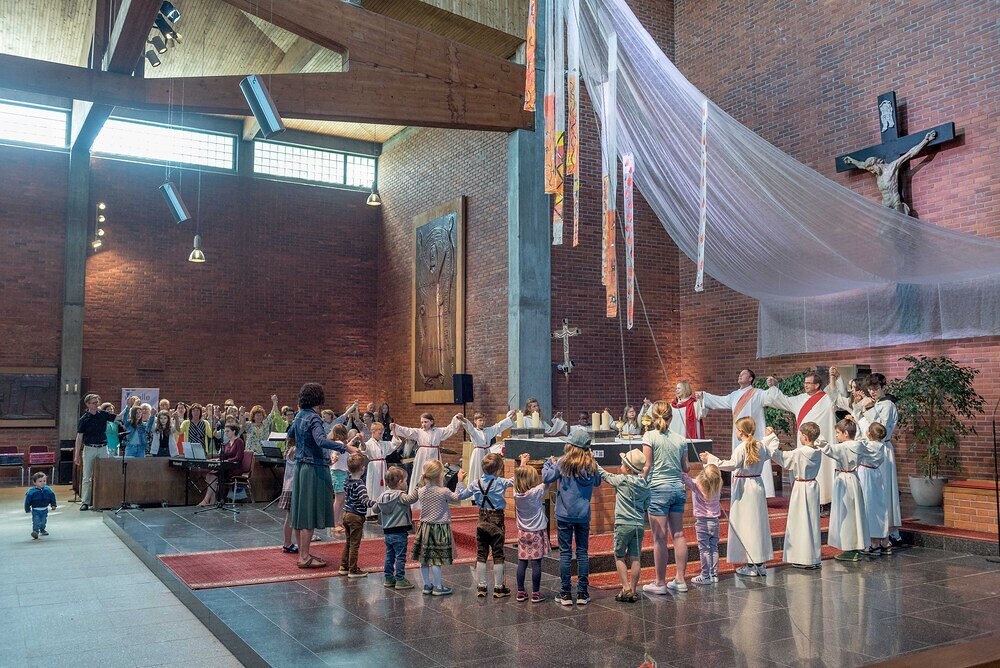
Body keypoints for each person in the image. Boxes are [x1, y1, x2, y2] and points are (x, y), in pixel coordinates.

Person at [289, 382, 360, 569]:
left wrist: (298, 446)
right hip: (313, 467)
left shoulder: (299, 415)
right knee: (309, 513)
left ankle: (303, 554)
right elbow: (321, 440)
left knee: (300, 512)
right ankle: (304, 557)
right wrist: (346, 447)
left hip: (300, 467)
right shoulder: (313, 417)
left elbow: (290, 433)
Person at [701, 416, 774, 577]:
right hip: (757, 486)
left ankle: (752, 565)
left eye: (736, 429)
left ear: (740, 431)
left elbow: (731, 465)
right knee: (757, 525)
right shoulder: (760, 445)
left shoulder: (742, 448)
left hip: (744, 489)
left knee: (747, 525)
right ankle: (759, 563)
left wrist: (710, 459)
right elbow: (771, 450)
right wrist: (770, 437)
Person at [762, 371, 844, 505]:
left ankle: (826, 501)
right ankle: (809, 501)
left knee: (825, 470)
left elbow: (841, 397)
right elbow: (781, 400)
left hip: (823, 443)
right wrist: (774, 387)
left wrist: (836, 379)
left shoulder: (827, 398)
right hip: (804, 444)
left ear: (817, 385)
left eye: (808, 383)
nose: (805, 385)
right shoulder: (799, 399)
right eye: (805, 383)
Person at [542, 430, 601, 606]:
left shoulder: (563, 462)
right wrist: (593, 460)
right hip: (583, 515)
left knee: (565, 553)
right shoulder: (591, 464)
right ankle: (582, 593)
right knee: (582, 553)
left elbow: (546, 477)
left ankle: (565, 594)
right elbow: (597, 482)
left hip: (564, 514)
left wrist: (549, 463)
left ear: (571, 446)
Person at [698, 368, 777, 498]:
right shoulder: (734, 395)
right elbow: (720, 401)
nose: (740, 375)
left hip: (754, 435)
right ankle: (740, 487)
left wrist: (773, 386)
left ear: (751, 379)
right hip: (739, 437)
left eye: (743, 374)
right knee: (738, 459)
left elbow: (771, 396)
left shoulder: (757, 393)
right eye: (739, 374)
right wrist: (704, 396)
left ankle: (763, 489)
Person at [640, 401, 689, 594]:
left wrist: (639, 483)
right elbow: (686, 468)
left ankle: (660, 583)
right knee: (678, 535)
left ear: (653, 418)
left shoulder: (649, 436)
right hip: (677, 489)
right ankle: (680, 580)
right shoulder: (680, 439)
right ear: (671, 417)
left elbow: (647, 465)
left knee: (659, 538)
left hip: (658, 490)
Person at [765, 423, 824, 569]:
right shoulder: (818, 451)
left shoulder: (800, 452)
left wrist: (771, 437)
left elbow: (780, 457)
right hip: (813, 486)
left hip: (801, 488)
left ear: (804, 436)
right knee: (812, 522)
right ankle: (813, 557)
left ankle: (803, 558)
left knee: (801, 522)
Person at [597, 449, 651, 603]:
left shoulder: (622, 480)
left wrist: (593, 463)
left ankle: (626, 588)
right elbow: (646, 504)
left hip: (623, 524)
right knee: (635, 557)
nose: (620, 466)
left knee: (619, 555)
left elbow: (605, 475)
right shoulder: (645, 485)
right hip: (638, 525)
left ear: (627, 468)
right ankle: (633, 590)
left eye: (622, 464)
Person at [460, 452, 514, 598]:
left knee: (481, 553)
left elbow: (461, 495)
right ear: (498, 470)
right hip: (497, 519)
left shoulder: (475, 483)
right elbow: (515, 481)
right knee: (498, 553)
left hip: (482, 518)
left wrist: (459, 481)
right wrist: (522, 464)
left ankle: (482, 586)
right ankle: (498, 587)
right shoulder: (501, 482)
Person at [857, 374, 902, 545]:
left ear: (883, 387)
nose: (873, 391)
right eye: (870, 389)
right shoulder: (875, 404)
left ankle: (889, 530)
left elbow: (879, 429)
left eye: (876, 388)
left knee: (884, 489)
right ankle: (876, 528)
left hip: (882, 449)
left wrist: (867, 410)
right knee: (875, 491)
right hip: (872, 449)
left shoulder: (888, 405)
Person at [411, 460, 467, 596]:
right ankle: (438, 586)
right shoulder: (443, 491)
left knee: (424, 559)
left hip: (424, 527)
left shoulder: (421, 490)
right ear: (439, 476)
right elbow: (457, 497)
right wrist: (460, 481)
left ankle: (426, 585)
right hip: (439, 528)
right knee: (436, 560)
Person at [820, 418, 870, 562]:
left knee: (846, 515)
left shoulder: (843, 447)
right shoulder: (860, 445)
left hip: (844, 481)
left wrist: (818, 437)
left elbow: (828, 449)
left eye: (838, 433)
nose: (836, 435)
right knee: (856, 513)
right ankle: (857, 545)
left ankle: (850, 548)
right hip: (854, 478)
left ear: (846, 433)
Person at [391, 412, 464, 497]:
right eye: (422, 422)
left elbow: (450, 429)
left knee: (434, 475)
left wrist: (456, 418)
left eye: (426, 422)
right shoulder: (419, 432)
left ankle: (435, 496)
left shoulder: (438, 431)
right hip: (422, 457)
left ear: (431, 422)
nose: (423, 424)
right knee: (420, 474)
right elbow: (407, 431)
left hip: (434, 456)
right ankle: (417, 497)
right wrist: (396, 427)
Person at [377, 466, 418, 590]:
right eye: (405, 481)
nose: (406, 483)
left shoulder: (382, 496)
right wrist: (418, 488)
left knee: (389, 556)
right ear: (400, 482)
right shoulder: (400, 495)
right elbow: (411, 499)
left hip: (387, 532)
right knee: (400, 556)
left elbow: (375, 509)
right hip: (400, 531)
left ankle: (388, 578)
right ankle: (400, 579)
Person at [513, 454, 547, 603]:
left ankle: (520, 592)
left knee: (522, 562)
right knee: (536, 563)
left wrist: (522, 463)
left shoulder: (516, 494)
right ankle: (536, 593)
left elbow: (518, 477)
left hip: (522, 532)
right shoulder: (535, 492)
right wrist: (550, 465)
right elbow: (548, 481)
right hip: (536, 533)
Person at [75, 393, 118, 511]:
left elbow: (117, 417)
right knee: (87, 476)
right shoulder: (84, 419)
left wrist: (129, 407)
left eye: (97, 402)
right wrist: (77, 454)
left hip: (103, 447)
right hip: (89, 448)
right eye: (94, 403)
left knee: (104, 475)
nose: (96, 404)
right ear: (88, 404)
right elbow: (79, 437)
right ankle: (85, 501)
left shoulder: (103, 414)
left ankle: (103, 500)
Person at [682, 463, 723, 585]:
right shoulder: (717, 488)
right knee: (714, 548)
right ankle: (714, 574)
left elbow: (684, 478)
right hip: (715, 521)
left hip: (702, 523)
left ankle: (705, 575)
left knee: (704, 549)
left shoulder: (697, 485)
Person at [339, 453, 376, 578]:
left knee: (348, 542)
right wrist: (376, 503)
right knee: (355, 544)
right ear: (362, 468)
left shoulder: (347, 480)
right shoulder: (360, 485)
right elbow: (364, 501)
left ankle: (344, 566)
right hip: (355, 516)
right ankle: (353, 570)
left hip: (346, 513)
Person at [858, 422, 891, 556]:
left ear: (868, 434)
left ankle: (874, 543)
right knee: (879, 507)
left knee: (869, 508)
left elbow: (857, 446)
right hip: (876, 475)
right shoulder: (882, 446)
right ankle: (885, 541)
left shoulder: (867, 446)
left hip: (866, 476)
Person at [360, 422, 401, 519]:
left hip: (383, 466)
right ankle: (372, 512)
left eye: (382, 433)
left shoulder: (383, 444)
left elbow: (395, 443)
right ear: (373, 432)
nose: (381, 435)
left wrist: (393, 431)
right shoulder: (369, 443)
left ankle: (383, 509)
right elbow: (364, 449)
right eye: (379, 433)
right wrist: (362, 441)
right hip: (374, 467)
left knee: (383, 488)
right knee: (373, 488)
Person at [199, 424, 246, 507]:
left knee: (214, 476)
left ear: (234, 431)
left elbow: (238, 457)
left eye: (228, 431)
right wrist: (216, 460)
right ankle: (213, 500)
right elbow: (223, 457)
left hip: (234, 468)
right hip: (226, 467)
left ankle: (206, 500)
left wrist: (226, 461)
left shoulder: (239, 442)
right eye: (225, 431)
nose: (226, 433)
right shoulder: (226, 444)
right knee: (209, 475)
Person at [462, 410, 516, 482]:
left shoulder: (488, 430)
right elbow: (469, 427)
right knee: (477, 472)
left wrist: (510, 417)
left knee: (489, 470)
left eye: (484, 421)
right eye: (480, 420)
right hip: (478, 454)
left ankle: (488, 485)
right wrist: (463, 419)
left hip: (487, 453)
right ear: (475, 421)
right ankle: (477, 486)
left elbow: (498, 426)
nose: (482, 422)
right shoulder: (474, 431)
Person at [328, 424, 354, 537]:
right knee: (339, 499)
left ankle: (339, 521)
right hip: (338, 473)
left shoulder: (341, 444)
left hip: (342, 472)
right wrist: (335, 455)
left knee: (342, 499)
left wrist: (354, 439)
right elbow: (336, 452)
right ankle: (334, 523)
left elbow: (347, 446)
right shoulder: (338, 443)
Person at [278, 430, 298, 554]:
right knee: (292, 517)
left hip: (289, 486)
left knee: (290, 516)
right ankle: (287, 542)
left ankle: (287, 542)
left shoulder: (290, 449)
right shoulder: (295, 450)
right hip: (293, 486)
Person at [25, 471, 57, 539]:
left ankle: (42, 529)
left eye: (44, 481)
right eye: (40, 481)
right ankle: (35, 532)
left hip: (44, 509)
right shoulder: (31, 491)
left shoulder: (48, 490)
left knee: (43, 521)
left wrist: (53, 505)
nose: (43, 483)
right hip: (35, 510)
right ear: (34, 482)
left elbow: (52, 497)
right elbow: (27, 500)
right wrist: (27, 508)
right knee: (36, 521)